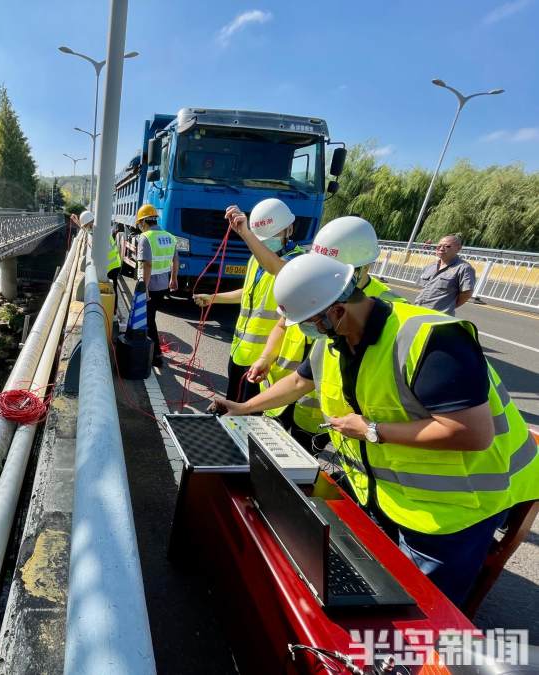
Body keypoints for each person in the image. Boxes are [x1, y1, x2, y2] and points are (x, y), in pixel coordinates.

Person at [211, 253, 539, 606]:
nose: (307, 331)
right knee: (371, 581)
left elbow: (472, 433)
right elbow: (298, 382)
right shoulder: (334, 339)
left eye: (309, 323)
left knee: (421, 607)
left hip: (454, 507)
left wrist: (372, 430)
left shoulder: (431, 339)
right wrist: (243, 407)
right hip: (386, 492)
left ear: (338, 310)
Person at [248, 216, 405, 445]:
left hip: (325, 414)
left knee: (303, 461)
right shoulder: (313, 282)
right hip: (281, 394)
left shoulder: (388, 308)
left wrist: (374, 429)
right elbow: (282, 326)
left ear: (363, 268)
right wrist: (266, 357)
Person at [193, 198, 304, 403]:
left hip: (266, 359)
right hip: (240, 351)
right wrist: (213, 298)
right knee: (232, 405)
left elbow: (277, 268)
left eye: (272, 236)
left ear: (289, 229)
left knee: (250, 413)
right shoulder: (255, 259)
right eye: (262, 238)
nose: (265, 242)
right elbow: (248, 292)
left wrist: (246, 233)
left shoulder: (297, 261)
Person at [135, 203, 178, 367]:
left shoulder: (145, 237)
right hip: (163, 286)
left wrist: (144, 289)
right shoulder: (170, 237)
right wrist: (173, 278)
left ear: (144, 221)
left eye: (140, 223)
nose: (140, 226)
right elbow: (175, 260)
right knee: (150, 318)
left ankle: (156, 355)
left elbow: (147, 265)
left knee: (148, 320)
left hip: (150, 287)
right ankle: (152, 352)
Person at [71, 210, 122, 313]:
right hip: (112, 264)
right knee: (111, 288)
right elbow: (89, 232)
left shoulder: (98, 232)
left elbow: (92, 235)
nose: (86, 228)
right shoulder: (98, 229)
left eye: (86, 226)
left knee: (112, 289)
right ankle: (112, 311)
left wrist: (79, 223)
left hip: (112, 266)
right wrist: (78, 222)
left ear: (90, 223)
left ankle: (113, 312)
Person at [414, 234, 476, 316]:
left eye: (447, 246)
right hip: (418, 311)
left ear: (458, 249)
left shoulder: (464, 268)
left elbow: (466, 294)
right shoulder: (430, 266)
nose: (441, 249)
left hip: (439, 316)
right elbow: (423, 289)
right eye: (439, 246)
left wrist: (448, 307)